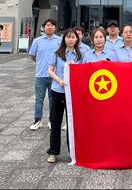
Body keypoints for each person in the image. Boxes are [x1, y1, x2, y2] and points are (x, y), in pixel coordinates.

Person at [47, 28, 83, 163]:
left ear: (77, 39)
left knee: (72, 122)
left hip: (73, 93)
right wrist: (59, 80)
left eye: (73, 37)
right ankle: (53, 152)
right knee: (56, 122)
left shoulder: (80, 55)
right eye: (68, 37)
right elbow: (50, 70)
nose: (70, 39)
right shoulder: (57, 53)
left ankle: (71, 151)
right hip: (58, 90)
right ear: (64, 39)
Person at [29, 18, 62, 131]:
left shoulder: (60, 40)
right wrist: (41, 63)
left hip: (54, 76)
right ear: (44, 27)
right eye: (47, 25)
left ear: (55, 28)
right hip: (40, 75)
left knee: (53, 100)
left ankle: (51, 120)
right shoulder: (37, 40)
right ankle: (37, 120)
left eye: (52, 25)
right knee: (39, 99)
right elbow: (33, 56)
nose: (50, 27)